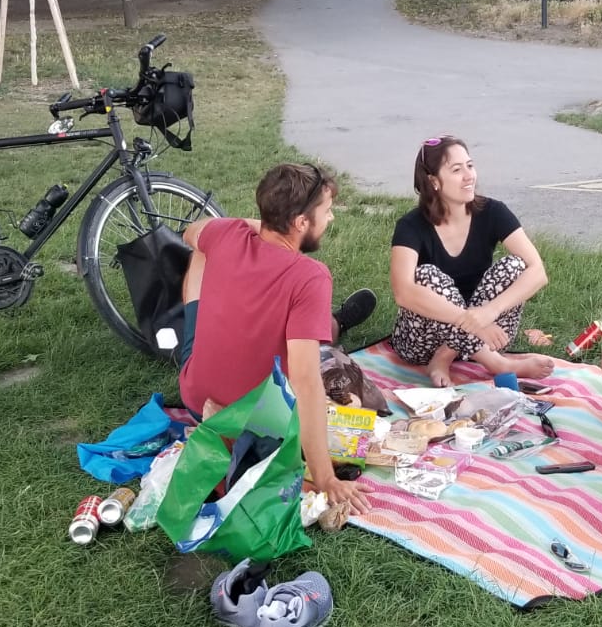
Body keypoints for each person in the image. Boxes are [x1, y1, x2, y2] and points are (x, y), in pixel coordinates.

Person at [178, 163, 378, 512]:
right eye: (327, 211)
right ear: (300, 222)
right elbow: (305, 381)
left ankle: (328, 324)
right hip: (255, 421)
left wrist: (261, 225)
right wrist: (326, 478)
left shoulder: (227, 232)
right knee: (322, 364)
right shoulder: (310, 276)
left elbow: (190, 232)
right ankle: (333, 325)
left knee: (201, 249)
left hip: (195, 396)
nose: (331, 218)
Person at [389, 135, 553, 387]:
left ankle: (445, 356)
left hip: (489, 333)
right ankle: (499, 364)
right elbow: (403, 292)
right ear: (433, 181)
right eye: (457, 170)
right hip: (422, 343)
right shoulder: (411, 226)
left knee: (515, 266)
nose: (469, 176)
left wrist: (489, 312)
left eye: (470, 165)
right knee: (426, 276)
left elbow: (537, 271)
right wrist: (471, 323)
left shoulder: (493, 212)